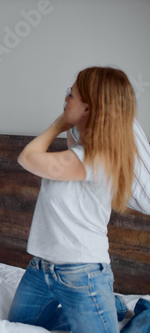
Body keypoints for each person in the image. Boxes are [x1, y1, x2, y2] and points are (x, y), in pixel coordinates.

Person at [8, 66, 147, 332]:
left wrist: (61, 122)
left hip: (82, 273)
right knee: (18, 325)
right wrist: (71, 124)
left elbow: (27, 157)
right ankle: (113, 306)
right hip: (42, 267)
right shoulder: (80, 150)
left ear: (88, 107)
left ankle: (144, 314)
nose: (65, 100)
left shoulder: (96, 158)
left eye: (71, 95)